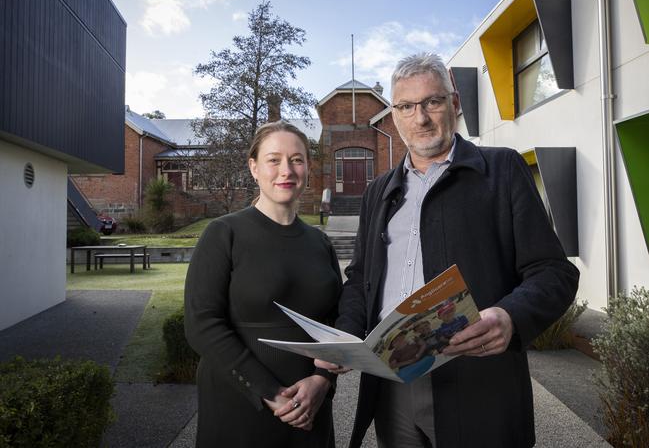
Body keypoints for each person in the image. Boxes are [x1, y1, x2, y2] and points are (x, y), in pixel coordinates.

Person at [317, 53, 579, 448]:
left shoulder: (502, 171)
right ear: (394, 115)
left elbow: (553, 272)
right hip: (393, 384)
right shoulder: (378, 192)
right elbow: (360, 279)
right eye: (406, 106)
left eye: (432, 102)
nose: (419, 118)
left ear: (454, 104)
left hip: (478, 383)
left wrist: (510, 317)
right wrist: (347, 336)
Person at [185, 121, 342, 447]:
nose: (287, 170)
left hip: (310, 406)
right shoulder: (223, 234)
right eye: (274, 160)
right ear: (254, 167)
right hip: (241, 405)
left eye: (297, 160)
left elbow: (335, 324)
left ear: (308, 168)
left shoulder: (320, 243)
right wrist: (270, 393)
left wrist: (322, 381)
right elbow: (202, 325)